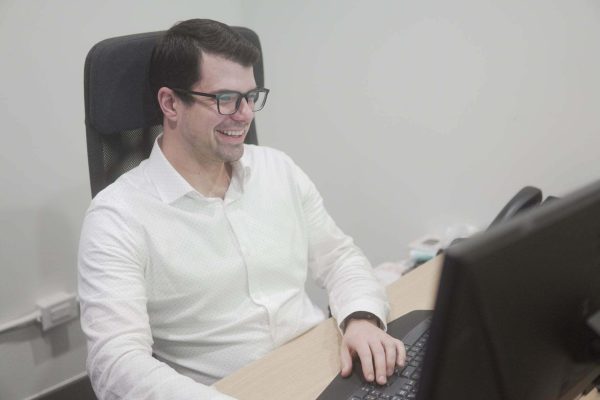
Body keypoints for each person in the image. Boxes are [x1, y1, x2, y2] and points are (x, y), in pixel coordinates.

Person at [78, 18, 404, 400]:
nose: (246, 114)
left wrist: (361, 318)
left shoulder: (276, 168)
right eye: (225, 99)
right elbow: (115, 363)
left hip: (329, 370)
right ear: (170, 103)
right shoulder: (118, 217)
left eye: (251, 96)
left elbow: (339, 258)